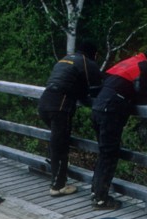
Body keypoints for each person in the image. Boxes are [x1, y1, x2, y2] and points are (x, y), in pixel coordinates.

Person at [90, 51, 147, 210]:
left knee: (104, 153)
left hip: (98, 108)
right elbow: (145, 93)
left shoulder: (126, 63)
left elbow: (103, 80)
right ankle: (101, 198)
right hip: (110, 111)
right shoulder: (145, 67)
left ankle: (96, 191)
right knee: (109, 155)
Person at [38, 41, 102, 196]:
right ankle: (58, 186)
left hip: (44, 102)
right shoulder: (88, 63)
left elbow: (69, 81)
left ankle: (58, 174)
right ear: (94, 54)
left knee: (56, 142)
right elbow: (95, 90)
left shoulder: (65, 59)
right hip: (60, 106)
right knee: (60, 146)